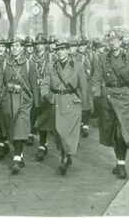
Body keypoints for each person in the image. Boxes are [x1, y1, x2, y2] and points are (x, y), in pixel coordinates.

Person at [92, 29, 129, 179]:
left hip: (125, 99)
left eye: (116, 40)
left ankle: (121, 164)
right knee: (112, 132)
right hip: (108, 98)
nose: (113, 43)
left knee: (122, 132)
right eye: (110, 40)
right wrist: (95, 95)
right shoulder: (102, 58)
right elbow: (96, 78)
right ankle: (119, 160)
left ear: (120, 42)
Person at [0, 36, 39, 174]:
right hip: (8, 99)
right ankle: (19, 152)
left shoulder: (29, 64)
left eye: (17, 46)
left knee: (20, 126)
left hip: (24, 100)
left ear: (22, 48)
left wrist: (37, 103)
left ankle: (16, 158)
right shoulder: (4, 63)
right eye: (12, 46)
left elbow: (34, 86)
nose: (14, 48)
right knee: (11, 128)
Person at [40, 38, 87, 175]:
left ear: (68, 50)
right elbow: (44, 82)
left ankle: (65, 159)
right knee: (59, 132)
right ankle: (67, 155)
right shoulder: (51, 65)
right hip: (56, 102)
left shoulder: (78, 65)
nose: (60, 52)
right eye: (58, 50)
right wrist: (44, 95)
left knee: (68, 132)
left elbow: (83, 86)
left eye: (62, 49)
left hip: (72, 103)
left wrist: (85, 105)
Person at [29, 33, 57, 161]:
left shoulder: (52, 57)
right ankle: (42, 143)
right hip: (34, 91)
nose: (39, 46)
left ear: (45, 45)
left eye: (41, 44)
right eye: (37, 44)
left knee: (46, 117)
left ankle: (42, 144)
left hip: (48, 90)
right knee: (37, 114)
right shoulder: (30, 58)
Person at [68, 35, 92, 138]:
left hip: (79, 88)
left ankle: (83, 125)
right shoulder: (64, 58)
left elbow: (88, 73)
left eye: (73, 46)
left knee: (83, 107)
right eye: (69, 46)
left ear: (77, 47)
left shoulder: (83, 59)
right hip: (68, 89)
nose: (71, 48)